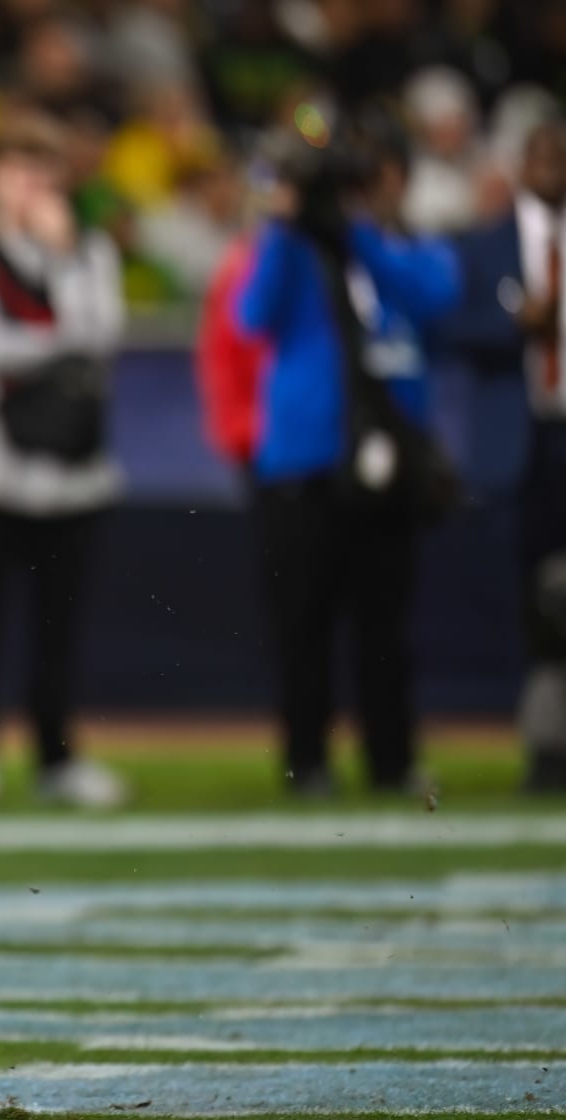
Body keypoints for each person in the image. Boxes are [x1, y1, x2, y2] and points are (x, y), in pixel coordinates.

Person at [235, 116, 461, 795]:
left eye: (372, 179)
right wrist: (289, 221)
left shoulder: (412, 249)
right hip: (303, 461)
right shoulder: (294, 249)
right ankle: (308, 762)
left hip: (389, 461)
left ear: (399, 182)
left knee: (384, 625)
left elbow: (435, 299)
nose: (359, 192)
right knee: (302, 623)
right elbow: (254, 317)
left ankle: (392, 761)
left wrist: (352, 230)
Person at [0, 111, 128, 810]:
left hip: (72, 466)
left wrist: (64, 263)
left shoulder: (87, 251)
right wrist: (58, 346)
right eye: (17, 170)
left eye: (44, 171)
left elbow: (102, 336)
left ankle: (56, 757)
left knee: (59, 623)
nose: (32, 185)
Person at [446, 120, 566, 791]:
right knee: (533, 602)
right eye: (541, 156)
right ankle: (546, 747)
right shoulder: (487, 243)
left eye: (561, 157)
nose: (552, 168)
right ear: (521, 165)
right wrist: (514, 327)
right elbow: (453, 326)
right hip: (525, 438)